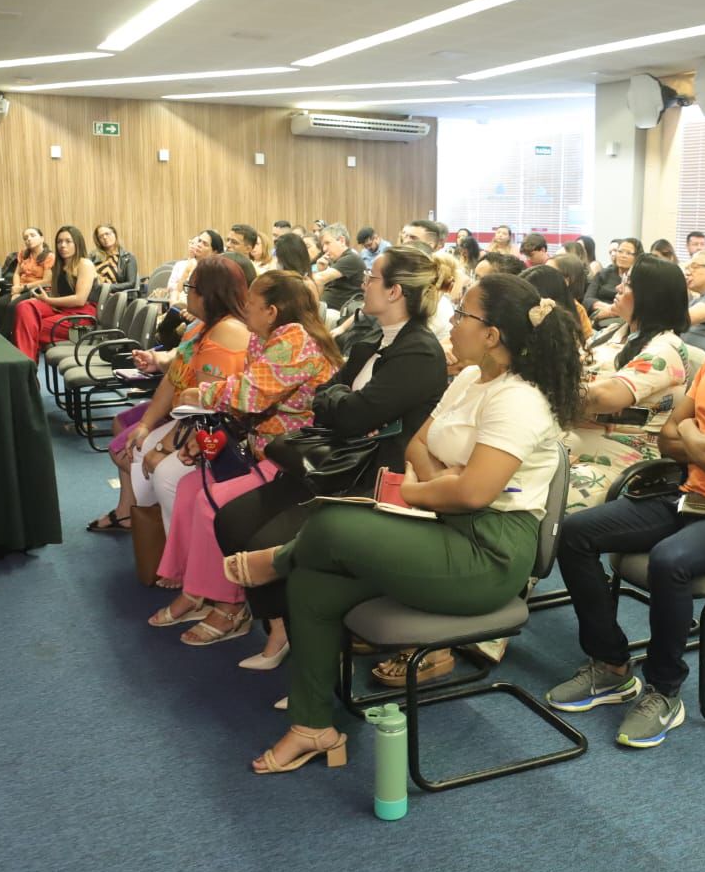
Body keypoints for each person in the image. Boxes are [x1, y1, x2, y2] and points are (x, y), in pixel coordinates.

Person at [222, 273, 582, 773]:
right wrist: (445, 487)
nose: (451, 324)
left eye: (463, 315)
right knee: (313, 581)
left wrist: (422, 491)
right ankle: (313, 728)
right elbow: (417, 445)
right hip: (445, 527)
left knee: (329, 525)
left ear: (492, 333)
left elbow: (474, 492)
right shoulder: (468, 380)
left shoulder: (517, 399)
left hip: (489, 555)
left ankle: (276, 560)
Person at [543, 264, 705, 748]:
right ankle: (611, 666)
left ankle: (665, 690)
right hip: (690, 497)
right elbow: (669, 441)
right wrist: (700, 439)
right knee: (577, 533)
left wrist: (695, 436)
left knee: (670, 561)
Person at [213, 246, 451, 672]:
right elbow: (328, 398)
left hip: (374, 477)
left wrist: (341, 403)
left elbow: (353, 414)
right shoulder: (373, 337)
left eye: (373, 278)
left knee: (263, 541)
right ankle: (283, 628)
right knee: (231, 521)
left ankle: (316, 654)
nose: (364, 283)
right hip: (338, 462)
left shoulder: (419, 352)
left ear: (395, 291)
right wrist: (342, 403)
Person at [150, 271, 342, 646]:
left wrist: (200, 396)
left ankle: (230, 605)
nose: (244, 310)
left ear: (271, 311)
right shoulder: (264, 337)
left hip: (295, 460)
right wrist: (210, 434)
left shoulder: (296, 341)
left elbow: (250, 396)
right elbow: (247, 408)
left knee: (210, 503)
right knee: (190, 488)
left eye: (251, 305)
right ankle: (195, 588)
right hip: (263, 450)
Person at [90, 255, 251, 535]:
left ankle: (174, 546)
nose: (185, 291)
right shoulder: (199, 327)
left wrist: (163, 448)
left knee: (157, 467)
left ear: (207, 294)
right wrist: (144, 425)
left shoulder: (225, 332)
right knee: (133, 445)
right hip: (187, 419)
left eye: (190, 286)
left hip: (216, 433)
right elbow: (173, 377)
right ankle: (155, 533)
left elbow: (205, 408)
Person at [566, 255, 702, 510]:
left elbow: (606, 397)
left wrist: (548, 391)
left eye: (627, 284)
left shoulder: (666, 348)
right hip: (570, 443)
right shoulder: (612, 333)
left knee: (538, 499)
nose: (617, 288)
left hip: (616, 459)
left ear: (649, 297)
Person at [12, 225, 96, 358]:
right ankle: (27, 369)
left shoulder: (84, 264)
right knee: (24, 306)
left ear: (77, 243)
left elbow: (80, 300)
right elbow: (58, 294)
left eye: (68, 241)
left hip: (80, 316)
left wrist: (48, 300)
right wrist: (41, 300)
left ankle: (27, 371)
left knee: (27, 329)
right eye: (59, 242)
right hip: (61, 309)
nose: (63, 245)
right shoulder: (58, 265)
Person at [0, 226, 56, 340]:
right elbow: (17, 273)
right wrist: (16, 288)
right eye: (26, 237)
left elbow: (47, 281)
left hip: (36, 289)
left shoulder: (49, 256)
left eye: (32, 236)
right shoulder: (23, 254)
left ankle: (1, 339)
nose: (29, 239)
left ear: (42, 238)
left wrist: (22, 289)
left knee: (13, 306)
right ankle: (8, 339)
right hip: (20, 288)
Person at [154, 229, 222, 304]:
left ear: (215, 252)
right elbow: (178, 290)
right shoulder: (191, 264)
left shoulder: (216, 272)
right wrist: (173, 301)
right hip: (181, 307)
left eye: (205, 244)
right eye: (199, 241)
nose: (199, 245)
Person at [313, 223, 366, 311]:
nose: (324, 249)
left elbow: (319, 279)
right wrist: (321, 270)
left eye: (327, 243)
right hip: (328, 311)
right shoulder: (334, 262)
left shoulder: (351, 258)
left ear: (341, 241)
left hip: (341, 315)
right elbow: (319, 292)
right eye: (323, 245)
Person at [586, 238, 641, 320]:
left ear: (637, 257)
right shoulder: (603, 274)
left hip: (623, 320)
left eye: (628, 253)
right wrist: (610, 308)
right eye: (620, 251)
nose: (623, 256)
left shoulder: (639, 278)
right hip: (599, 315)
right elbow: (587, 300)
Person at [89, 224, 137, 288]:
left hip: (115, 295)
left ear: (115, 234)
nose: (105, 237)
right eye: (101, 236)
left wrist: (106, 288)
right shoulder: (92, 256)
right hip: (93, 292)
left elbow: (131, 283)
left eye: (107, 234)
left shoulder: (128, 257)